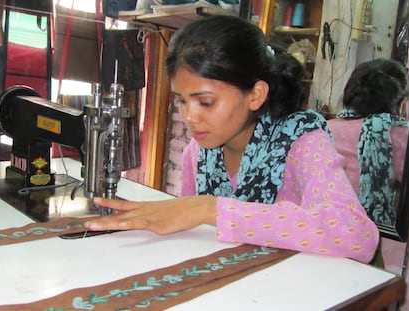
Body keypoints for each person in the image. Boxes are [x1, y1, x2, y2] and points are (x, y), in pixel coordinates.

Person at [84, 15, 379, 263]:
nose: (190, 116)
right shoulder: (197, 153)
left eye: (206, 102)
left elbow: (357, 236)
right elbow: (193, 237)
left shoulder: (302, 141)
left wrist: (207, 208)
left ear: (255, 94)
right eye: (182, 101)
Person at [328, 59, 409, 226]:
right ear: (401, 102)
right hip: (385, 240)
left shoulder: (325, 129)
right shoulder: (402, 134)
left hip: (326, 230)